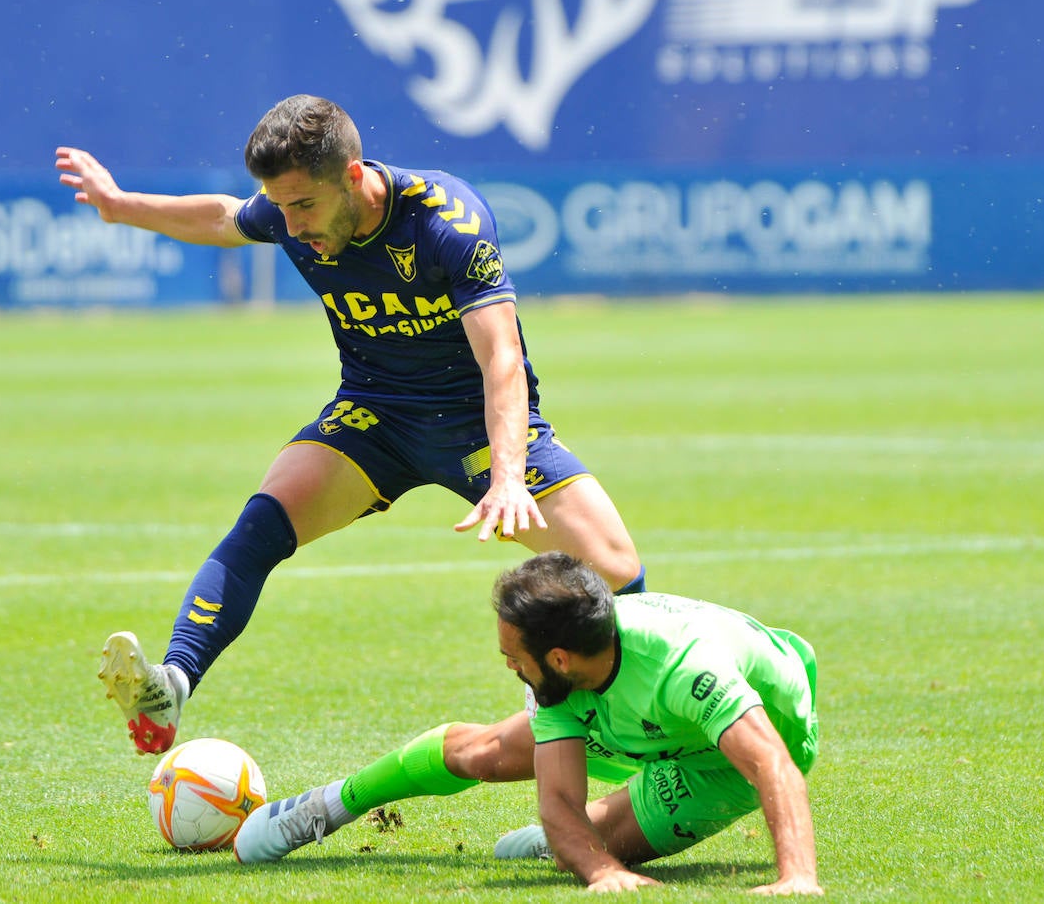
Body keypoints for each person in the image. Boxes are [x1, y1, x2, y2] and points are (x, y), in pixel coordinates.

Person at [55, 95, 645, 758]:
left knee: (618, 571)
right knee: (261, 524)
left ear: (355, 175)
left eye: (304, 206)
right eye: (280, 206)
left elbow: (501, 358)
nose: (292, 224)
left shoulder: (447, 221)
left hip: (476, 423)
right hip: (375, 414)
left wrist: (508, 474)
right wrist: (120, 205)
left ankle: (627, 748)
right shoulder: (289, 211)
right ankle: (173, 685)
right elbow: (224, 217)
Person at [235, 552, 822, 897]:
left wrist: (797, 877)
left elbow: (771, 762)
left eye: (514, 656)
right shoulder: (564, 673)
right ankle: (329, 805)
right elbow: (557, 797)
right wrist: (598, 871)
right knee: (483, 755)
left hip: (727, 756)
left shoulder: (684, 666)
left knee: (597, 843)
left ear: (559, 657)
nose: (509, 665)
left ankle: (573, 842)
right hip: (626, 712)